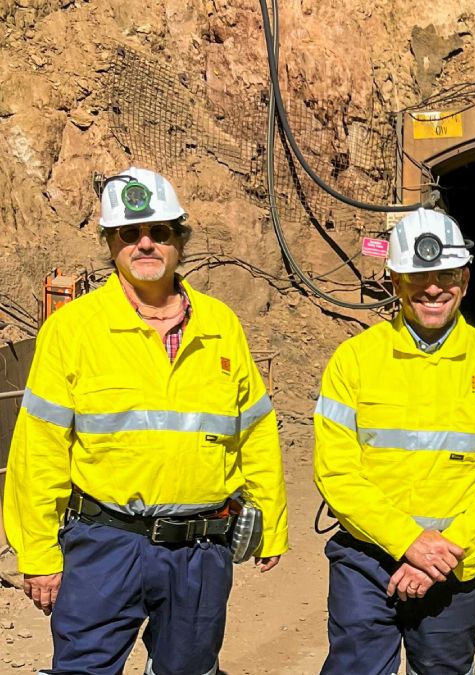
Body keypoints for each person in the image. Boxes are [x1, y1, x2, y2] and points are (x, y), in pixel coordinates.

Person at [3, 166, 288, 674]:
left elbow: (256, 431)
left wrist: (272, 521)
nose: (145, 244)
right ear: (111, 244)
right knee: (83, 668)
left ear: (180, 239)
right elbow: (38, 447)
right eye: (129, 233)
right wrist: (40, 553)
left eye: (159, 232)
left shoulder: (222, 325)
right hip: (105, 543)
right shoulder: (73, 328)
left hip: (202, 547)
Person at [313, 207, 475, 675]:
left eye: (446, 274)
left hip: (455, 566)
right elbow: (336, 471)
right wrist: (408, 541)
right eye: (418, 275)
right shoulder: (355, 359)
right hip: (366, 558)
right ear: (394, 280)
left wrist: (441, 554)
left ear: (466, 279)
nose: (433, 287)